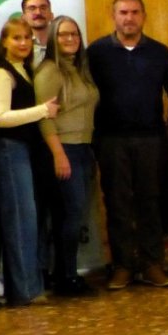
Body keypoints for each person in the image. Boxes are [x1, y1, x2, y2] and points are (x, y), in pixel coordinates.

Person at [87, 0, 168, 290]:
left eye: (135, 12)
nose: (129, 18)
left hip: (151, 139)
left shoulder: (160, 53)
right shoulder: (96, 52)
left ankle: (153, 264)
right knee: (117, 204)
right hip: (110, 140)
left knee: (151, 202)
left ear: (144, 16)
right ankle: (123, 266)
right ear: (113, 16)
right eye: (123, 12)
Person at [0, 18, 60, 306]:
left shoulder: (23, 70)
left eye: (27, 38)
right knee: (20, 220)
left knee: (28, 220)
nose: (22, 43)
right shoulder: (1, 74)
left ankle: (28, 286)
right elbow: (0, 117)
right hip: (8, 149)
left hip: (21, 150)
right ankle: (25, 290)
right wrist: (42, 110)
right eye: (16, 38)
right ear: (4, 41)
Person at [35, 15, 100, 295]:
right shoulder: (50, 70)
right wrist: (59, 154)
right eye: (63, 34)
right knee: (69, 217)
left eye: (74, 34)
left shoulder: (79, 69)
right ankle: (65, 276)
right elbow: (44, 117)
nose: (70, 39)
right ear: (52, 38)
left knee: (75, 216)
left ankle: (66, 273)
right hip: (65, 150)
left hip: (85, 148)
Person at [21, 0, 54, 66]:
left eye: (43, 8)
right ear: (23, 17)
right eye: (32, 8)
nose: (38, 12)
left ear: (51, 15)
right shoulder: (19, 47)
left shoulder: (62, 43)